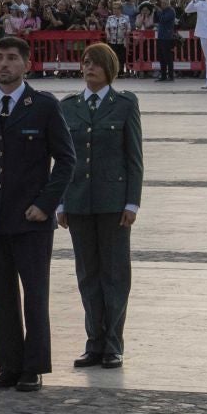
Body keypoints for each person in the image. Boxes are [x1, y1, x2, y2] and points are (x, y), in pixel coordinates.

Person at [0, 36, 73, 391]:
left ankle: (33, 366)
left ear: (26, 65)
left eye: (12, 58)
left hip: (31, 219)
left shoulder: (42, 105)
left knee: (34, 294)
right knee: (1, 295)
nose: (3, 65)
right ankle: (8, 365)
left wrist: (46, 204)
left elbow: (66, 160)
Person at [56, 42, 141, 368]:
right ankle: (94, 343)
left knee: (115, 275)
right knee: (88, 275)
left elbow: (133, 158)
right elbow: (62, 159)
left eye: (96, 63)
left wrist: (132, 202)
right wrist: (60, 201)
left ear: (110, 69)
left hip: (112, 202)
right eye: (85, 62)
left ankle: (113, 344)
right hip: (78, 201)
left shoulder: (124, 104)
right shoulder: (69, 106)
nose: (89, 68)